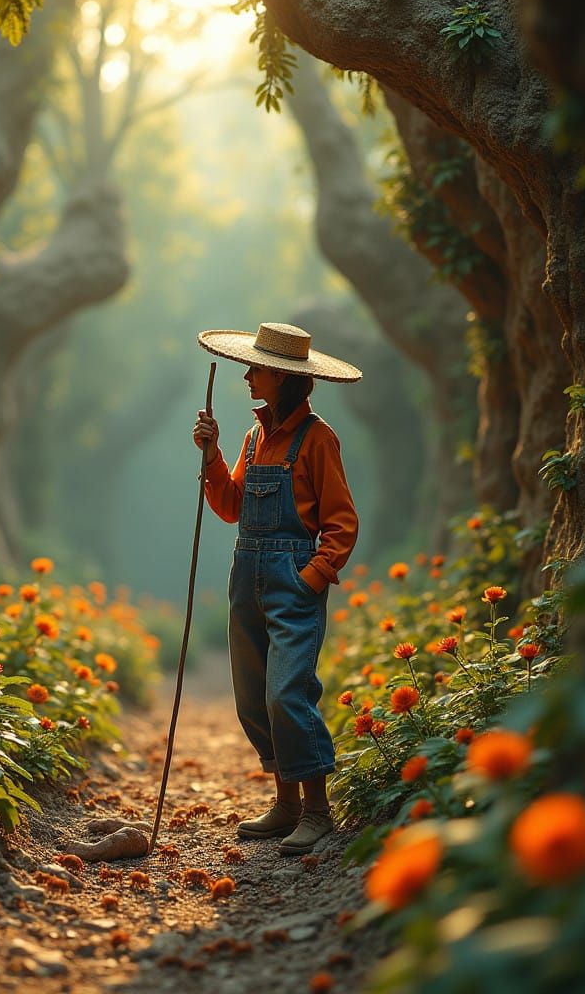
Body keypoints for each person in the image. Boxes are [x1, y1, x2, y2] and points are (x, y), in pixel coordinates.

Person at [193, 322, 361, 855]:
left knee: (286, 691)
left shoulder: (318, 439)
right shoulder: (252, 437)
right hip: (247, 576)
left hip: (292, 580)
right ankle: (285, 805)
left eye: (258, 369)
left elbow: (342, 521)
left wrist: (312, 576)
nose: (247, 375)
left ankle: (317, 810)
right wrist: (212, 453)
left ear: (284, 378)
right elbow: (230, 507)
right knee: (253, 694)